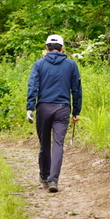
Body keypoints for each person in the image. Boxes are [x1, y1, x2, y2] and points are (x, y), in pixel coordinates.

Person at [26, 34, 82, 193]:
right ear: (62, 48)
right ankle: (53, 180)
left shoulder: (39, 64)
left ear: (46, 48)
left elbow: (33, 87)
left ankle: (44, 175)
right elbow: (76, 89)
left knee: (44, 143)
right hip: (63, 108)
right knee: (58, 144)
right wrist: (76, 111)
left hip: (43, 108)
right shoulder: (71, 65)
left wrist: (30, 108)